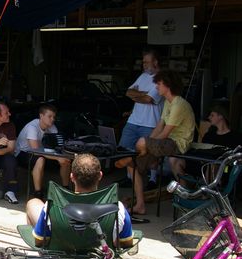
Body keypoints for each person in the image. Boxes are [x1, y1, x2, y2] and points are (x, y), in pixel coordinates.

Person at [115, 70, 196, 216]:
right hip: (165, 143)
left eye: (159, 84)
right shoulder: (168, 102)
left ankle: (138, 156)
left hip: (178, 144)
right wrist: (148, 143)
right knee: (131, 165)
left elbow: (165, 133)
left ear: (168, 85)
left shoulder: (179, 104)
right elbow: (159, 126)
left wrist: (147, 145)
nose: (156, 87)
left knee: (141, 143)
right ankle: (140, 205)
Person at [26, 153, 133, 248]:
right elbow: (126, 242)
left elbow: (39, 240)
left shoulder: (53, 204)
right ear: (100, 176)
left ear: (72, 177)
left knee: (33, 203)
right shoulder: (116, 207)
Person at [119, 49, 164, 188]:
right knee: (124, 149)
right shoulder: (143, 76)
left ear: (155, 62)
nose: (143, 65)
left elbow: (149, 99)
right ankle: (129, 177)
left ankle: (153, 179)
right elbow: (128, 92)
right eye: (143, 62)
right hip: (133, 120)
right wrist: (142, 95)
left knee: (150, 153)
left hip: (151, 122)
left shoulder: (162, 78)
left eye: (146, 62)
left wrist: (139, 95)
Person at [15, 104, 71, 199]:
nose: (52, 119)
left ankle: (66, 189)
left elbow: (57, 146)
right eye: (49, 116)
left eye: (53, 117)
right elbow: (36, 151)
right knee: (40, 159)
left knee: (66, 160)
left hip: (43, 152)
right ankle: (38, 193)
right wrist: (57, 157)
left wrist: (63, 156)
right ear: (41, 116)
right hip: (23, 153)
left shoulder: (52, 127)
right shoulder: (32, 127)